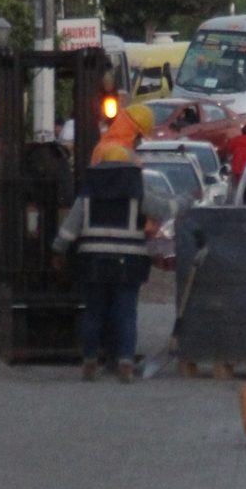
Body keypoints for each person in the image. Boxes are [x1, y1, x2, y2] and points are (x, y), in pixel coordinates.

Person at [54, 141, 156, 381]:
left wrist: (57, 250)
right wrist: (185, 202)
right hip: (129, 264)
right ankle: (125, 363)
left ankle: (89, 362)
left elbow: (70, 229)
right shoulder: (137, 192)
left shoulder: (88, 193)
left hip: (94, 263)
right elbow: (163, 208)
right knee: (126, 313)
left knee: (94, 312)